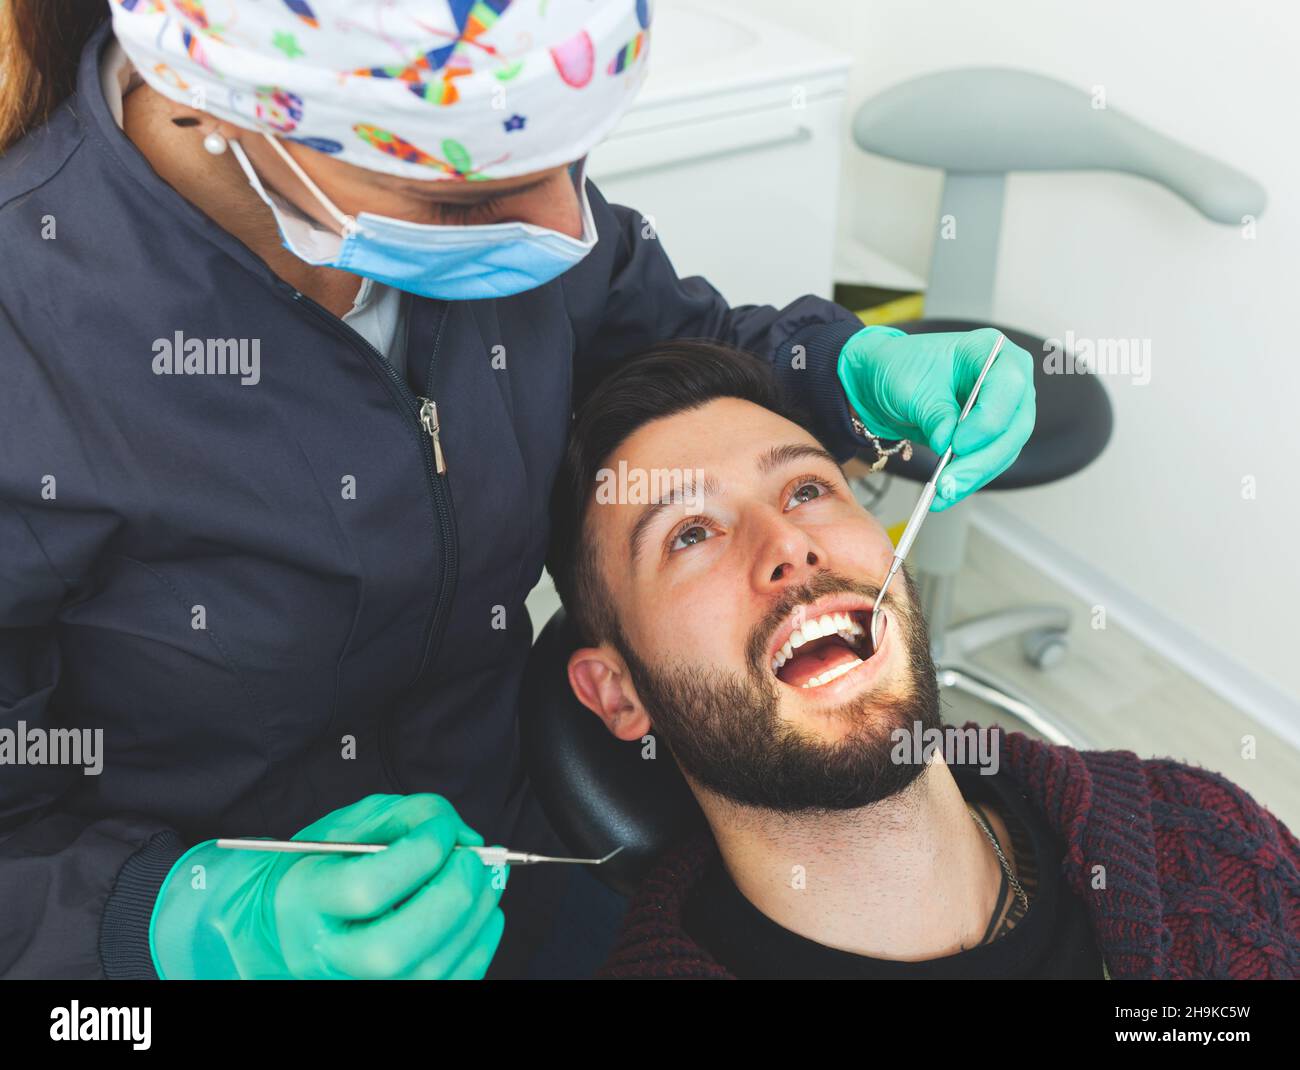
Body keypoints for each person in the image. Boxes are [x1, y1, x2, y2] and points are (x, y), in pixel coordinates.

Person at [0, 1, 1035, 979]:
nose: (566, 228)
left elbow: (680, 348)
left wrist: (842, 375)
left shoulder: (524, 221)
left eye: (568, 160)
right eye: (466, 198)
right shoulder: (28, 352)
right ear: (215, 106)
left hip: (522, 861)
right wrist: (168, 924)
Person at [544, 341, 1300, 979]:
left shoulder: (1199, 831)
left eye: (808, 488)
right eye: (689, 534)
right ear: (616, 695)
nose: (787, 544)